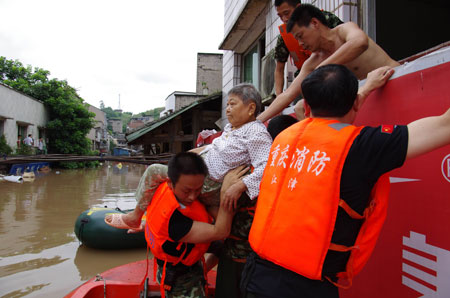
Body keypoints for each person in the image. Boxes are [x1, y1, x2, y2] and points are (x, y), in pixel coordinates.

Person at [242, 64, 450, 298]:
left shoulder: (284, 137)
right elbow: (445, 126)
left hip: (257, 276)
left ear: (308, 106)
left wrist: (365, 89)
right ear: (355, 104)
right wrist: (363, 91)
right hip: (305, 289)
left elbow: (328, 128)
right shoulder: (362, 147)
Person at [106, 83, 272, 298]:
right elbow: (213, 147)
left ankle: (134, 216)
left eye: (233, 104)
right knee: (222, 232)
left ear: (251, 109)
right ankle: (144, 220)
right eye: (227, 105)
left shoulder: (257, 133)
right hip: (205, 181)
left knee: (154, 171)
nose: (228, 109)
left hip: (213, 184)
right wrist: (192, 154)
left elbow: (267, 166)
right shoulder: (232, 129)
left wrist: (239, 186)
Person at [258, 4, 400, 123]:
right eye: (297, 40)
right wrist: (255, 122)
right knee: (301, 106)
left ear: (314, 23)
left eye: (300, 36)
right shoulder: (312, 62)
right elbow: (288, 94)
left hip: (399, 83)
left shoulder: (344, 30)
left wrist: (321, 69)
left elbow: (360, 42)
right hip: (372, 99)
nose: (301, 44)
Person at [145, 152, 244, 298]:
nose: (192, 196)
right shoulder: (174, 221)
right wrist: (225, 192)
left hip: (188, 260)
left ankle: (202, 271)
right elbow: (221, 232)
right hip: (180, 279)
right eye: (187, 191)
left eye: (198, 190)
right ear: (170, 183)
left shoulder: (167, 191)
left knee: (226, 245)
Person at [274, 0, 342, 96]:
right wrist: (278, 96)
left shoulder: (324, 19)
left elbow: (354, 42)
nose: (284, 19)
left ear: (315, 24)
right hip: (308, 82)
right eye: (280, 16)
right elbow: (279, 69)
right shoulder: (284, 37)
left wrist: (320, 69)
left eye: (286, 13)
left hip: (334, 75)